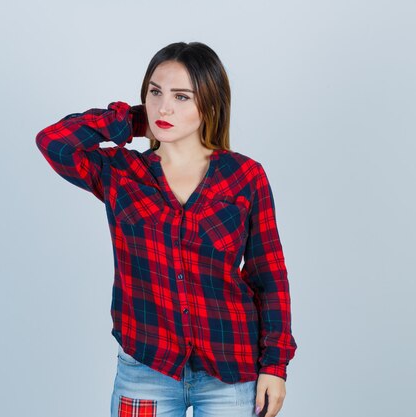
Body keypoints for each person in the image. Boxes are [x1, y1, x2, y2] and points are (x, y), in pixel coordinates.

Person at [35, 41, 297, 417]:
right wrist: (132, 121)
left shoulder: (245, 177)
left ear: (209, 104)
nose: (165, 107)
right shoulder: (120, 173)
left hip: (231, 372)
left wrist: (275, 366)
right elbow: (53, 142)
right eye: (155, 93)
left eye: (181, 96)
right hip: (146, 367)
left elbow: (269, 276)